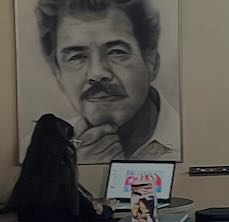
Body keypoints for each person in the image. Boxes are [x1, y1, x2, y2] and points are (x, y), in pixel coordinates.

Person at [34, 0, 179, 162]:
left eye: (116, 52)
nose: (97, 73)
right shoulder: (37, 152)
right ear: (58, 74)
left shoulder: (198, 141)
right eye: (76, 57)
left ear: (151, 62)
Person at [9, 113, 119, 222]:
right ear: (64, 145)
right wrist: (108, 208)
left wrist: (92, 206)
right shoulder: (58, 174)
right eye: (73, 142)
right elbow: (91, 215)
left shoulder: (31, 174)